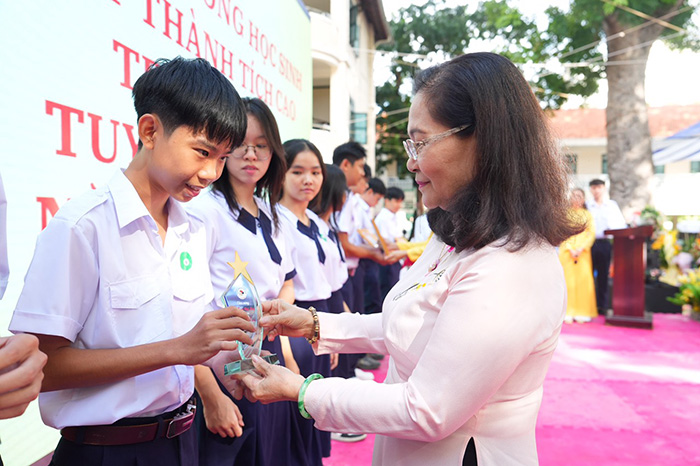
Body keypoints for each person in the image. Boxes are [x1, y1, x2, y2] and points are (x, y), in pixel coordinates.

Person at [236, 52, 582, 466]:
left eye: (421, 142)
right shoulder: (456, 231)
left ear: (483, 141)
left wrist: (301, 390)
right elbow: (409, 325)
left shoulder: (512, 265)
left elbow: (426, 409)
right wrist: (313, 323)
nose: (411, 161)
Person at [8, 57, 256, 465]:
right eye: (202, 152)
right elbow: (43, 366)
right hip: (106, 451)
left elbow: (191, 339)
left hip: (183, 439)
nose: (212, 172)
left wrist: (236, 356)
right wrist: (177, 349)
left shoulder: (194, 228)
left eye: (222, 158)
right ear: (150, 131)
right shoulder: (83, 227)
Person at [187, 97, 298, 466]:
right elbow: (186, 309)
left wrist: (285, 353)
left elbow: (285, 283)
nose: (251, 154)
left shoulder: (274, 213)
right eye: (241, 144)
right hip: (221, 368)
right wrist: (209, 395)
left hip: (265, 358)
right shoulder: (204, 211)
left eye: (262, 145)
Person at [277, 139, 334, 465]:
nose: (307, 180)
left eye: (315, 172)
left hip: (321, 319)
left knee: (319, 402)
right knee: (297, 406)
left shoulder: (319, 222)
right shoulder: (276, 221)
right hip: (295, 320)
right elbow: (283, 287)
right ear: (281, 174)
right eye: (297, 171)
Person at [586, 178, 627, 313]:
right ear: (591, 190)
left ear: (604, 188)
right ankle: (588, 305)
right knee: (587, 274)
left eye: (599, 187)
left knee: (603, 275)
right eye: (594, 187)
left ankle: (602, 305)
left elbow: (621, 225)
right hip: (588, 243)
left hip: (604, 243)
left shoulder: (611, 205)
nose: (596, 190)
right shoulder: (587, 205)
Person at [559, 188, 597, 323]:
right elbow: (561, 233)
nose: (576, 198)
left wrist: (582, 248)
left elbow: (591, 233)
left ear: (583, 199)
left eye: (579, 196)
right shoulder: (564, 215)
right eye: (574, 196)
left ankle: (583, 311)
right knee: (567, 282)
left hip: (583, 253)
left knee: (583, 282)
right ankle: (567, 311)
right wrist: (570, 248)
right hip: (566, 252)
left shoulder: (587, 215)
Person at [374, 187, 407, 298]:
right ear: (387, 200)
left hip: (395, 257)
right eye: (396, 201)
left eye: (401, 201)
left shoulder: (393, 216)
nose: (399, 205)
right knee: (388, 290)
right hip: (388, 258)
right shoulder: (383, 217)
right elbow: (384, 242)